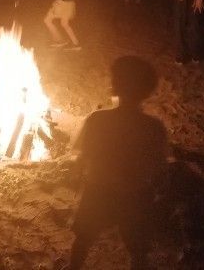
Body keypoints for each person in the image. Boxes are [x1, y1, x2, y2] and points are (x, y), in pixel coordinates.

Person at [69, 56, 169, 269]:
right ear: (148, 92)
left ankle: (74, 267)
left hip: (98, 192)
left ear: (114, 85)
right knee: (138, 248)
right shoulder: (153, 127)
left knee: (84, 239)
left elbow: (82, 158)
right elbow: (160, 168)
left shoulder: (97, 120)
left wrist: (78, 176)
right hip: (135, 196)